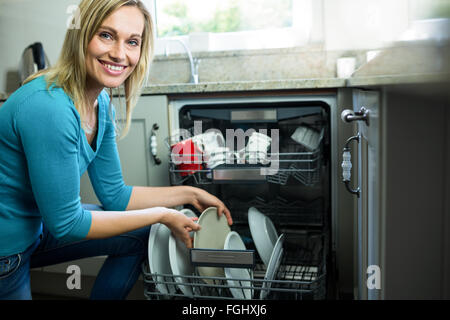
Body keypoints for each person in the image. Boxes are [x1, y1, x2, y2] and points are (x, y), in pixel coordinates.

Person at [0, 0, 232, 300]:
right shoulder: (50, 107)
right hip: (8, 247)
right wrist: (161, 214)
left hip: (39, 226)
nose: (120, 54)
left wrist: (189, 194)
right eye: (106, 35)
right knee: (151, 224)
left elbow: (115, 195)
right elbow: (67, 224)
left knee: (141, 235)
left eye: (132, 41)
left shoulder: (101, 103)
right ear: (80, 37)